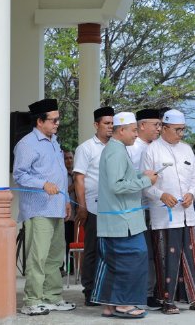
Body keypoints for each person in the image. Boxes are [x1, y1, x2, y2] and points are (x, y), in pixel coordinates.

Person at [142, 109, 195, 314]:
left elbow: (194, 179)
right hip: (164, 215)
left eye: (183, 130)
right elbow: (145, 184)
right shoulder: (152, 150)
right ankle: (167, 300)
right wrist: (161, 195)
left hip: (187, 214)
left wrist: (192, 193)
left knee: (193, 256)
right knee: (167, 257)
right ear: (164, 128)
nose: (181, 134)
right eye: (177, 130)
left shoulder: (186, 149)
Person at [13, 98, 75, 316]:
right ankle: (31, 300)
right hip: (38, 210)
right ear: (40, 121)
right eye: (54, 120)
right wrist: (42, 184)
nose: (57, 123)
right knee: (37, 257)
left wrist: (66, 200)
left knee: (55, 256)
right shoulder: (27, 144)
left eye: (58, 119)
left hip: (57, 207)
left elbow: (59, 174)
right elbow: (20, 174)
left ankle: (52, 297)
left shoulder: (54, 142)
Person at [93, 112, 158, 318]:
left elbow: (121, 178)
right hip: (122, 220)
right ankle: (124, 304)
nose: (136, 135)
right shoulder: (116, 151)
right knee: (133, 259)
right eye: (133, 130)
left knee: (115, 262)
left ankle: (110, 305)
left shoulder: (116, 149)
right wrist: (146, 181)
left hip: (119, 219)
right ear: (121, 130)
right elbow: (117, 185)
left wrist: (141, 175)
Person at [73, 106, 114, 306]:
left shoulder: (117, 146)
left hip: (113, 207)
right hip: (93, 207)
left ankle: (106, 288)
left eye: (113, 124)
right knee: (92, 250)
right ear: (96, 125)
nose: (110, 127)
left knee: (110, 249)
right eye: (106, 123)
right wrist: (82, 206)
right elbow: (79, 178)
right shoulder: (86, 148)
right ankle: (90, 290)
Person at [127, 108, 163, 310]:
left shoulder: (158, 147)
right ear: (142, 125)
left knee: (156, 252)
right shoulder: (131, 149)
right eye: (155, 125)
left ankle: (155, 290)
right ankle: (144, 292)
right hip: (137, 207)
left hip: (156, 206)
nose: (158, 129)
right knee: (142, 252)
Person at [62, 148, 76, 274]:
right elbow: (63, 191)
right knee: (62, 242)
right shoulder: (61, 174)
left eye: (70, 158)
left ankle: (72, 269)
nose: (68, 160)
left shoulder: (76, 174)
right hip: (64, 215)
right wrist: (75, 185)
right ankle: (61, 268)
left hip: (75, 215)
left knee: (72, 241)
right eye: (66, 158)